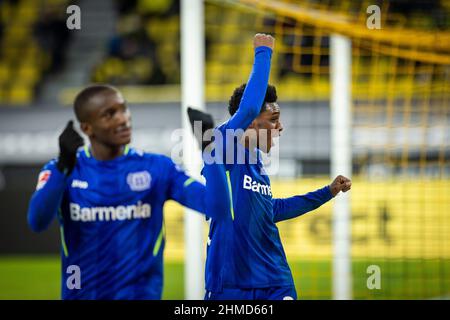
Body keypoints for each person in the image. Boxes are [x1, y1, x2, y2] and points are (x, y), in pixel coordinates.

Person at [27, 84, 229, 300]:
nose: (123, 119)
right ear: (87, 128)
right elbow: (37, 222)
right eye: (109, 114)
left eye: (124, 109)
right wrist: (62, 167)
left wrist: (209, 149)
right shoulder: (65, 170)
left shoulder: (157, 168)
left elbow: (218, 209)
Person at [202, 33, 352, 300]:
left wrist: (327, 192)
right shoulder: (221, 146)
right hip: (230, 284)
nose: (280, 127)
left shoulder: (257, 166)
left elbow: (273, 210)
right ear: (249, 122)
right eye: (274, 119)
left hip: (275, 279)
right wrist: (263, 54)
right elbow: (248, 108)